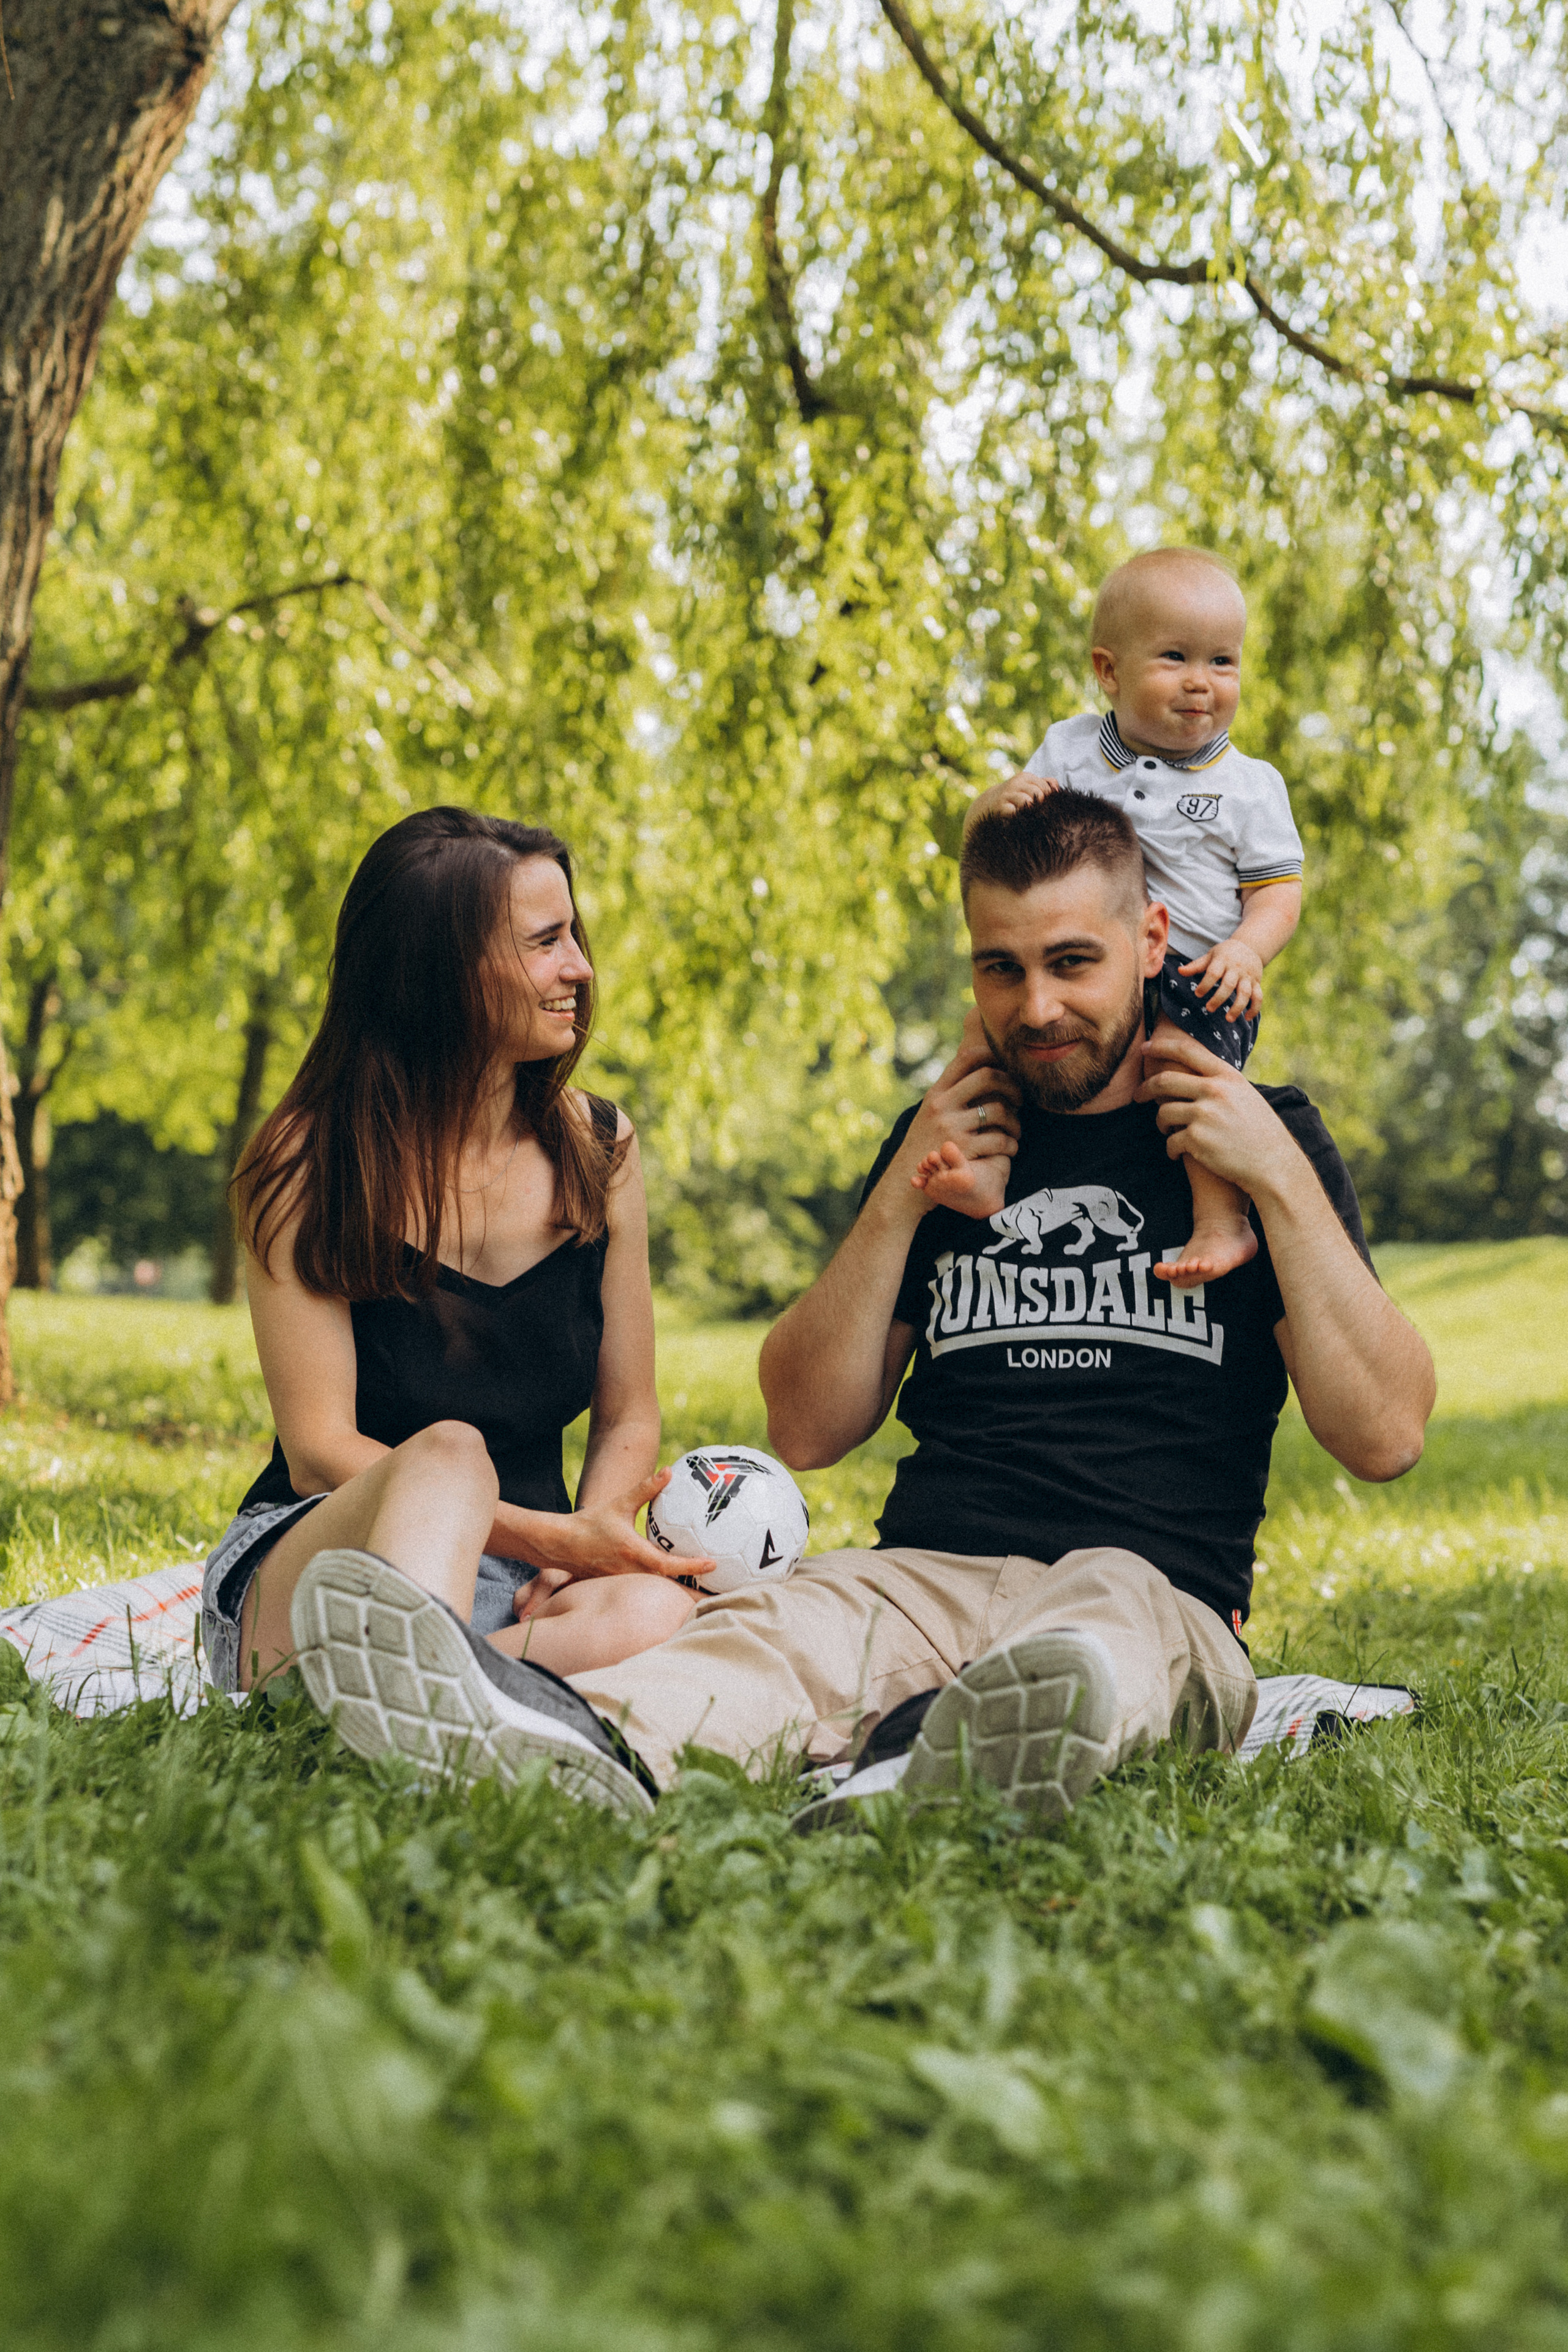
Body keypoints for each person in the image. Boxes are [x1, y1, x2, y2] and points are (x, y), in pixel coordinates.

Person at [280, 790, 1434, 1829]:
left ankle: (940, 1749)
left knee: (1100, 1627)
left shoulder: (1254, 1148)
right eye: (1001, 968)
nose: (1037, 1008)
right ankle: (560, 1752)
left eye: (1073, 963)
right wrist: (898, 1198)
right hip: (920, 1572)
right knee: (778, 1631)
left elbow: (1384, 1436)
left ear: (1151, 941)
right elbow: (809, 1428)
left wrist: (1277, 1174)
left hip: (1154, 1586)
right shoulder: (950, 1139)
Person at [200, 807, 705, 1801]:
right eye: (545, 944)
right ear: (446, 974)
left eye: (575, 935)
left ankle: (429, 1700)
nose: (582, 970)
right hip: (320, 1564)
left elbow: (629, 1411)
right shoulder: (307, 1163)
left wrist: (594, 1542)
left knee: (656, 1615)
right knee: (449, 1453)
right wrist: (553, 1536)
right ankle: (444, 1688)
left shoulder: (598, 1150)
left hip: (510, 1591)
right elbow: (315, 1450)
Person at [959, 547, 1302, 1287]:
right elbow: (1009, 830)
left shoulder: (1248, 786)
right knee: (985, 1035)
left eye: (1222, 662)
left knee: (1185, 1072)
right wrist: (992, 804)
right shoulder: (1073, 748)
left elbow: (1277, 890)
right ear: (1108, 672)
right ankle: (981, 1166)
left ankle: (1220, 1217)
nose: (1200, 683)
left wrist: (1247, 950)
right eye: (1175, 658)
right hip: (1090, 962)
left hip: (1197, 971)